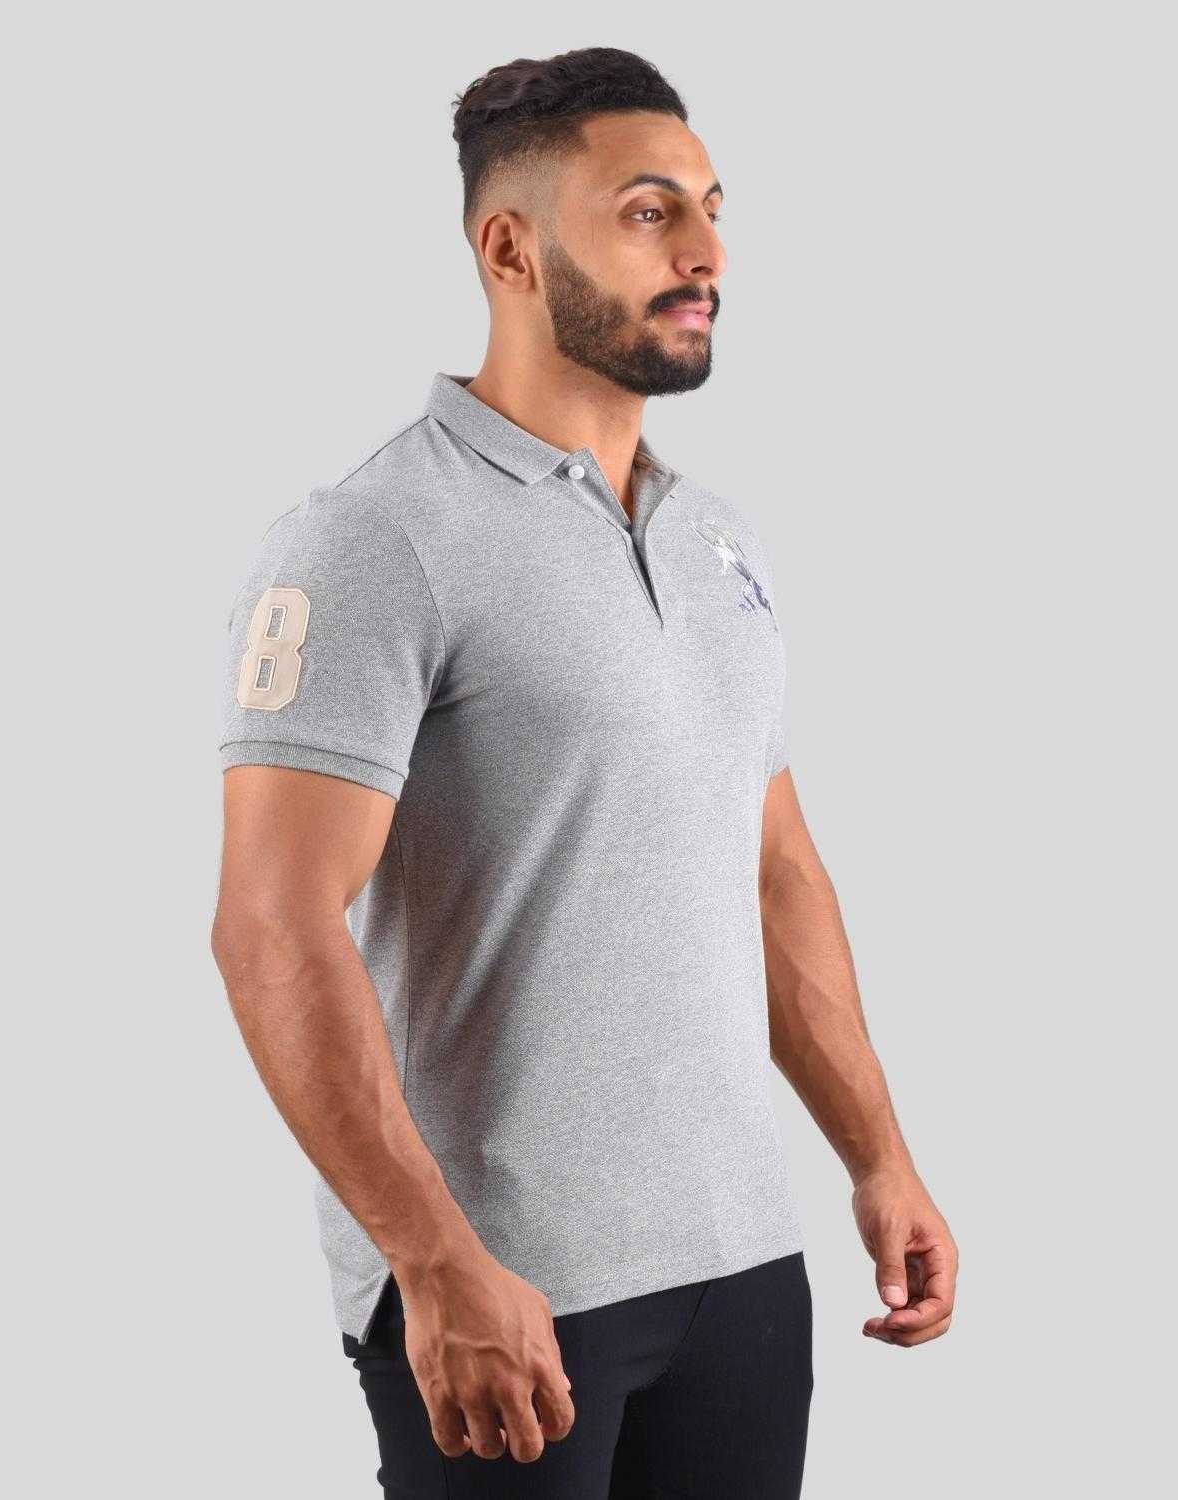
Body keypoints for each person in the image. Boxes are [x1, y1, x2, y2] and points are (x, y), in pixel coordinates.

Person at [210, 44, 957, 1499]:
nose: (706, 254)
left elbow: (774, 870)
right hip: (506, 1289)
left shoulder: (716, 537)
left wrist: (879, 1155)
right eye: (648, 213)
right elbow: (270, 927)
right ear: (509, 249)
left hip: (744, 1266)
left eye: (711, 209)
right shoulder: (372, 539)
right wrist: (435, 1265)